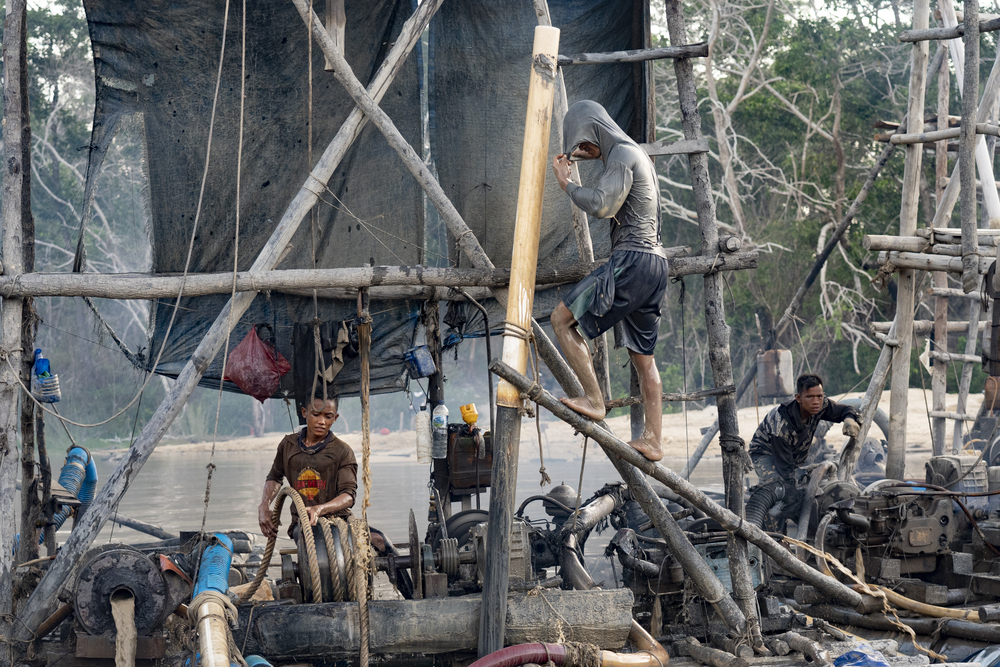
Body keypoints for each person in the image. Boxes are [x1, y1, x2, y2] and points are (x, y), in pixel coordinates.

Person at [549, 100, 670, 461]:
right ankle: (653, 440)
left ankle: (594, 399)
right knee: (643, 358)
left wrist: (566, 184)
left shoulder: (621, 155)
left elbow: (603, 205)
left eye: (584, 143)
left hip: (632, 260)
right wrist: (581, 154)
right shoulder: (637, 154)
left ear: (593, 130)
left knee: (561, 319)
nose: (583, 151)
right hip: (657, 266)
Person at [258, 394, 357, 540]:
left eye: (328, 416)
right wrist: (264, 506)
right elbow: (275, 476)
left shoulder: (343, 451)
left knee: (380, 541)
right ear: (304, 413)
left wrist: (320, 509)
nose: (321, 421)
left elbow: (348, 495)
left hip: (339, 520)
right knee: (318, 550)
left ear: (335, 418)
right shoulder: (288, 445)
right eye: (316, 415)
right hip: (302, 522)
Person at [749, 373, 861, 494]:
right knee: (779, 488)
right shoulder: (782, 425)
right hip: (765, 453)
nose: (816, 402)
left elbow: (844, 409)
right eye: (809, 397)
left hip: (793, 449)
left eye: (819, 396)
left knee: (800, 481)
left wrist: (849, 419)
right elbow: (785, 469)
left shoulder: (820, 404)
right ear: (798, 398)